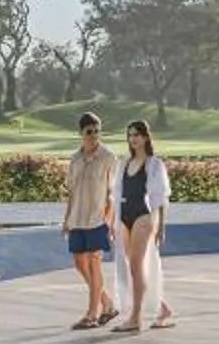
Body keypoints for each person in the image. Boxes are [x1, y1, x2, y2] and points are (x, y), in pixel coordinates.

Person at [63, 112, 118, 329]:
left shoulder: (108, 158)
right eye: (89, 132)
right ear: (80, 133)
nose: (94, 135)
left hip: (97, 220)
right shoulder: (74, 159)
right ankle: (107, 304)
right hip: (77, 219)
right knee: (79, 262)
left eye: (97, 131)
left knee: (95, 263)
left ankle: (92, 314)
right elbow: (71, 193)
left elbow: (113, 194)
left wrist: (109, 222)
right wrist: (66, 220)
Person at [118, 118, 174, 332]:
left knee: (136, 265)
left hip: (143, 215)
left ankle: (136, 317)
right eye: (130, 135)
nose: (133, 139)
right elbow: (115, 194)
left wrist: (161, 227)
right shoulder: (124, 163)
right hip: (124, 216)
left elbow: (160, 198)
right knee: (134, 269)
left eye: (137, 135)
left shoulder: (154, 165)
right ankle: (163, 308)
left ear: (145, 137)